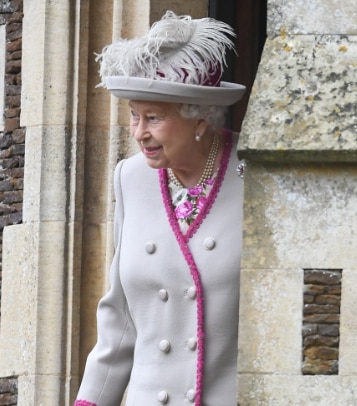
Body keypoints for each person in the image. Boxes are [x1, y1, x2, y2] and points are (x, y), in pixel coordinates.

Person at [75, 11, 247, 406]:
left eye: (154, 118)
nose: (139, 133)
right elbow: (119, 317)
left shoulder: (255, 175)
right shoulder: (131, 178)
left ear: (199, 117)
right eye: (135, 115)